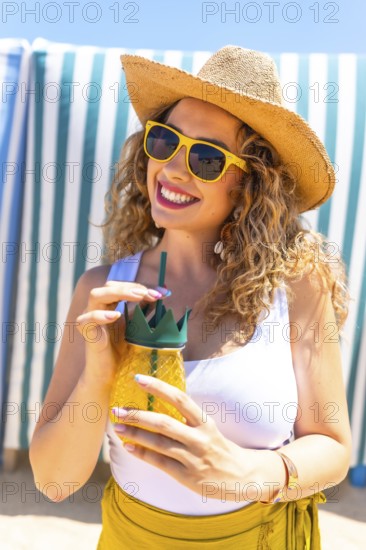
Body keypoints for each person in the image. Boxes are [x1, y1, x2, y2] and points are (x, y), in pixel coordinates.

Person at [29, 45, 352, 549]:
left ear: (250, 183)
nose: (174, 168)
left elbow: (333, 447)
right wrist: (99, 368)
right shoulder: (100, 290)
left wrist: (250, 472)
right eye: (164, 141)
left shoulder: (297, 284)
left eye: (205, 157)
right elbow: (55, 481)